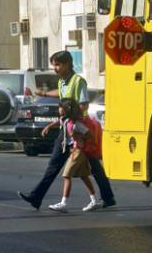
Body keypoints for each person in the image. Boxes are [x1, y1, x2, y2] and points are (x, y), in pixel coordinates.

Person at [17, 51, 116, 210]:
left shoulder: (78, 81)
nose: (55, 68)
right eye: (54, 65)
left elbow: (83, 104)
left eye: (58, 64)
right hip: (66, 130)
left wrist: (70, 114)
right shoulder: (62, 81)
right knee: (54, 165)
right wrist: (45, 94)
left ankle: (108, 197)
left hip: (79, 130)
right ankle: (36, 197)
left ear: (68, 64)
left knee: (94, 167)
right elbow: (61, 94)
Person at [47, 99, 98, 212]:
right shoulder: (66, 120)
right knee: (84, 176)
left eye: (61, 107)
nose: (59, 109)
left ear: (66, 110)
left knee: (66, 175)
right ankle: (94, 200)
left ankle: (63, 203)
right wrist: (48, 127)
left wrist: (79, 138)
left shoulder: (76, 124)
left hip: (78, 152)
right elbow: (58, 122)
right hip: (76, 151)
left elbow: (90, 135)